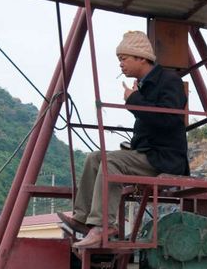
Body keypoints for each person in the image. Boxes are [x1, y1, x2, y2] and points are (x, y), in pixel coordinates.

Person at [57, 30, 189, 248]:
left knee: (112, 162)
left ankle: (103, 225)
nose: (120, 64)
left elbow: (168, 119)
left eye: (123, 59)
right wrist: (136, 98)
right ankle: (82, 218)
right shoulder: (145, 84)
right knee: (94, 158)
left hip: (164, 157)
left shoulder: (170, 81)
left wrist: (134, 99)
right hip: (147, 152)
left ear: (141, 58)